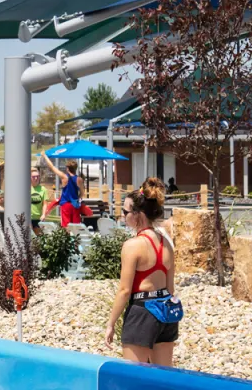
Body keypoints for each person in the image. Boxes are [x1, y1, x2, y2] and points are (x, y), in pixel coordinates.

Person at [105, 184, 179, 366]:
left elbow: (124, 290)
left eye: (125, 211)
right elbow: (170, 288)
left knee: (133, 379)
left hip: (142, 312)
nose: (123, 216)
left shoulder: (132, 245)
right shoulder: (167, 244)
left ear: (137, 215)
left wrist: (111, 323)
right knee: (162, 380)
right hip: (166, 311)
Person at [43, 153, 93, 228]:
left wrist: (44, 156)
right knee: (76, 226)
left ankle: (67, 239)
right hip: (75, 205)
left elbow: (52, 166)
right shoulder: (79, 179)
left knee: (66, 226)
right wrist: (77, 198)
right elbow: (82, 193)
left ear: (67, 168)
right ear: (75, 168)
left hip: (65, 204)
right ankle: (75, 239)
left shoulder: (64, 177)